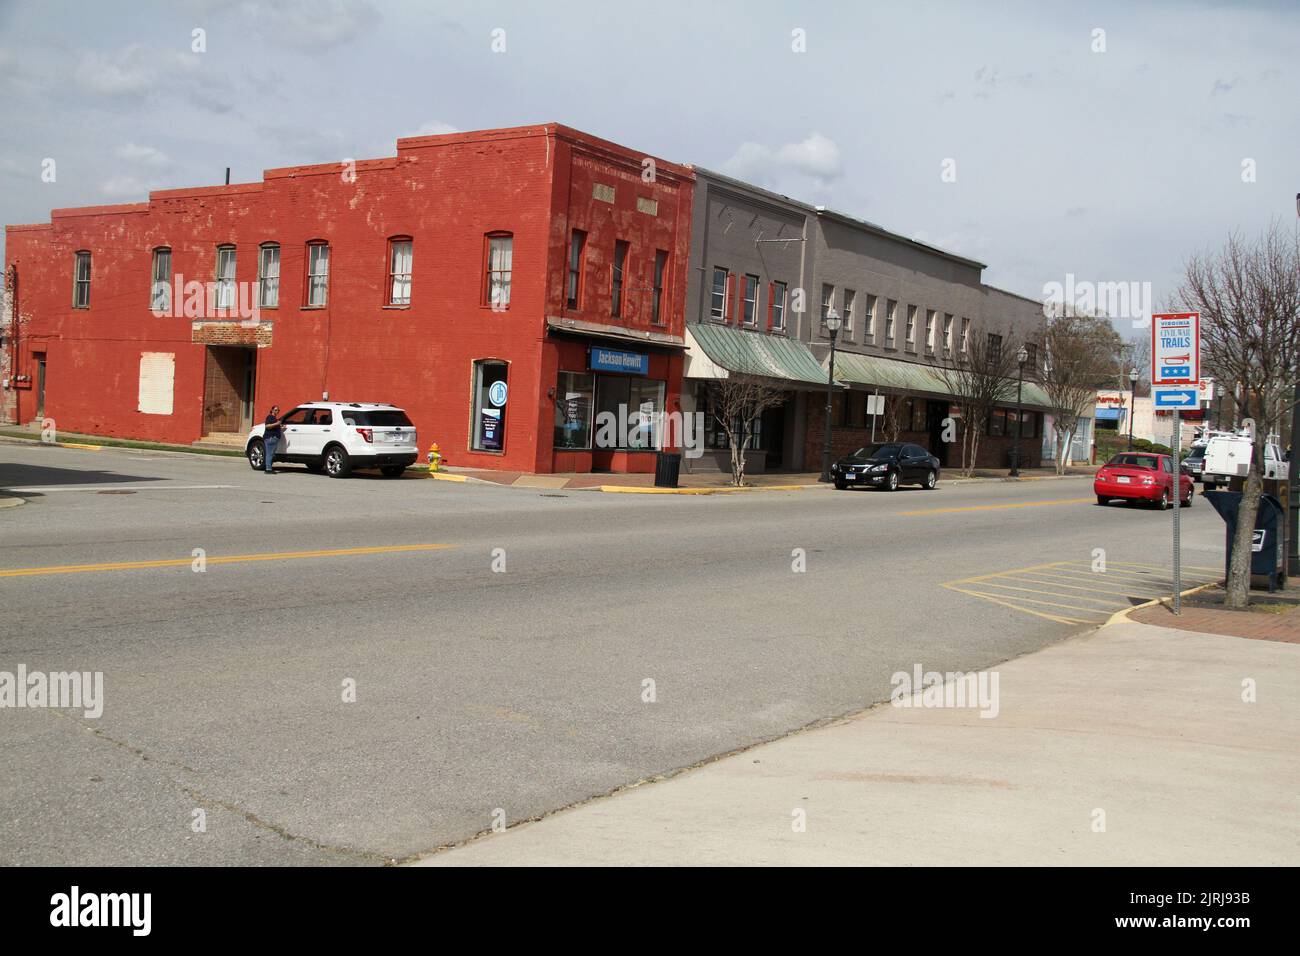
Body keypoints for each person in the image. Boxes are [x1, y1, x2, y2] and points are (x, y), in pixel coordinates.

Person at [262, 405, 283, 474]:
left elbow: (275, 427)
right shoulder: (270, 417)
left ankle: (268, 467)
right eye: (276, 410)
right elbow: (267, 426)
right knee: (269, 454)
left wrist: (282, 428)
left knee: (271, 454)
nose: (277, 411)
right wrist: (277, 423)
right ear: (272, 410)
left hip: (273, 438)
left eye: (278, 410)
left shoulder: (274, 418)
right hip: (270, 438)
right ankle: (268, 469)